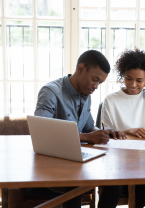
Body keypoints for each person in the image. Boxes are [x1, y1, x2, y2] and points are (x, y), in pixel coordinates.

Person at [26, 50, 126, 208]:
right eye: (95, 80)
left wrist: (104, 132)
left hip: (76, 161)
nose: (96, 86)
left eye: (100, 83)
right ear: (80, 69)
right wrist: (87, 138)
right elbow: (41, 132)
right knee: (76, 184)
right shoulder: (51, 92)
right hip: (52, 164)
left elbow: (88, 127)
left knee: (115, 182)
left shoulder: (87, 93)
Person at [98, 48, 145, 208]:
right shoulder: (110, 101)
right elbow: (107, 135)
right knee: (113, 185)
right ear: (122, 75)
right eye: (128, 78)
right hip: (118, 161)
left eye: (139, 80)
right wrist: (127, 131)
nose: (133, 84)